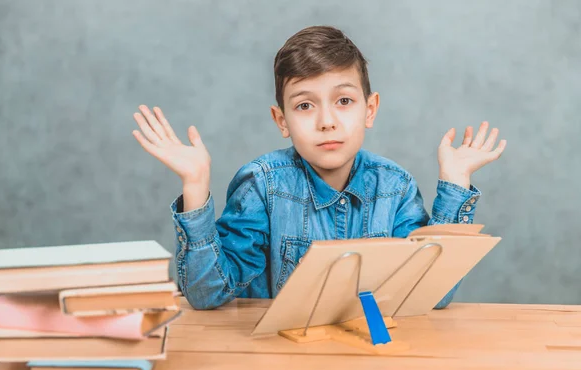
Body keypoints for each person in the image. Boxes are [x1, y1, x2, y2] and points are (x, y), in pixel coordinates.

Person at [132, 25, 507, 310]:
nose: (327, 121)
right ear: (281, 120)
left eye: (343, 100)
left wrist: (455, 183)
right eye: (305, 106)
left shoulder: (395, 187)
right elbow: (206, 293)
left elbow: (433, 294)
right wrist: (195, 185)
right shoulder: (262, 185)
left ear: (370, 109)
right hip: (280, 365)